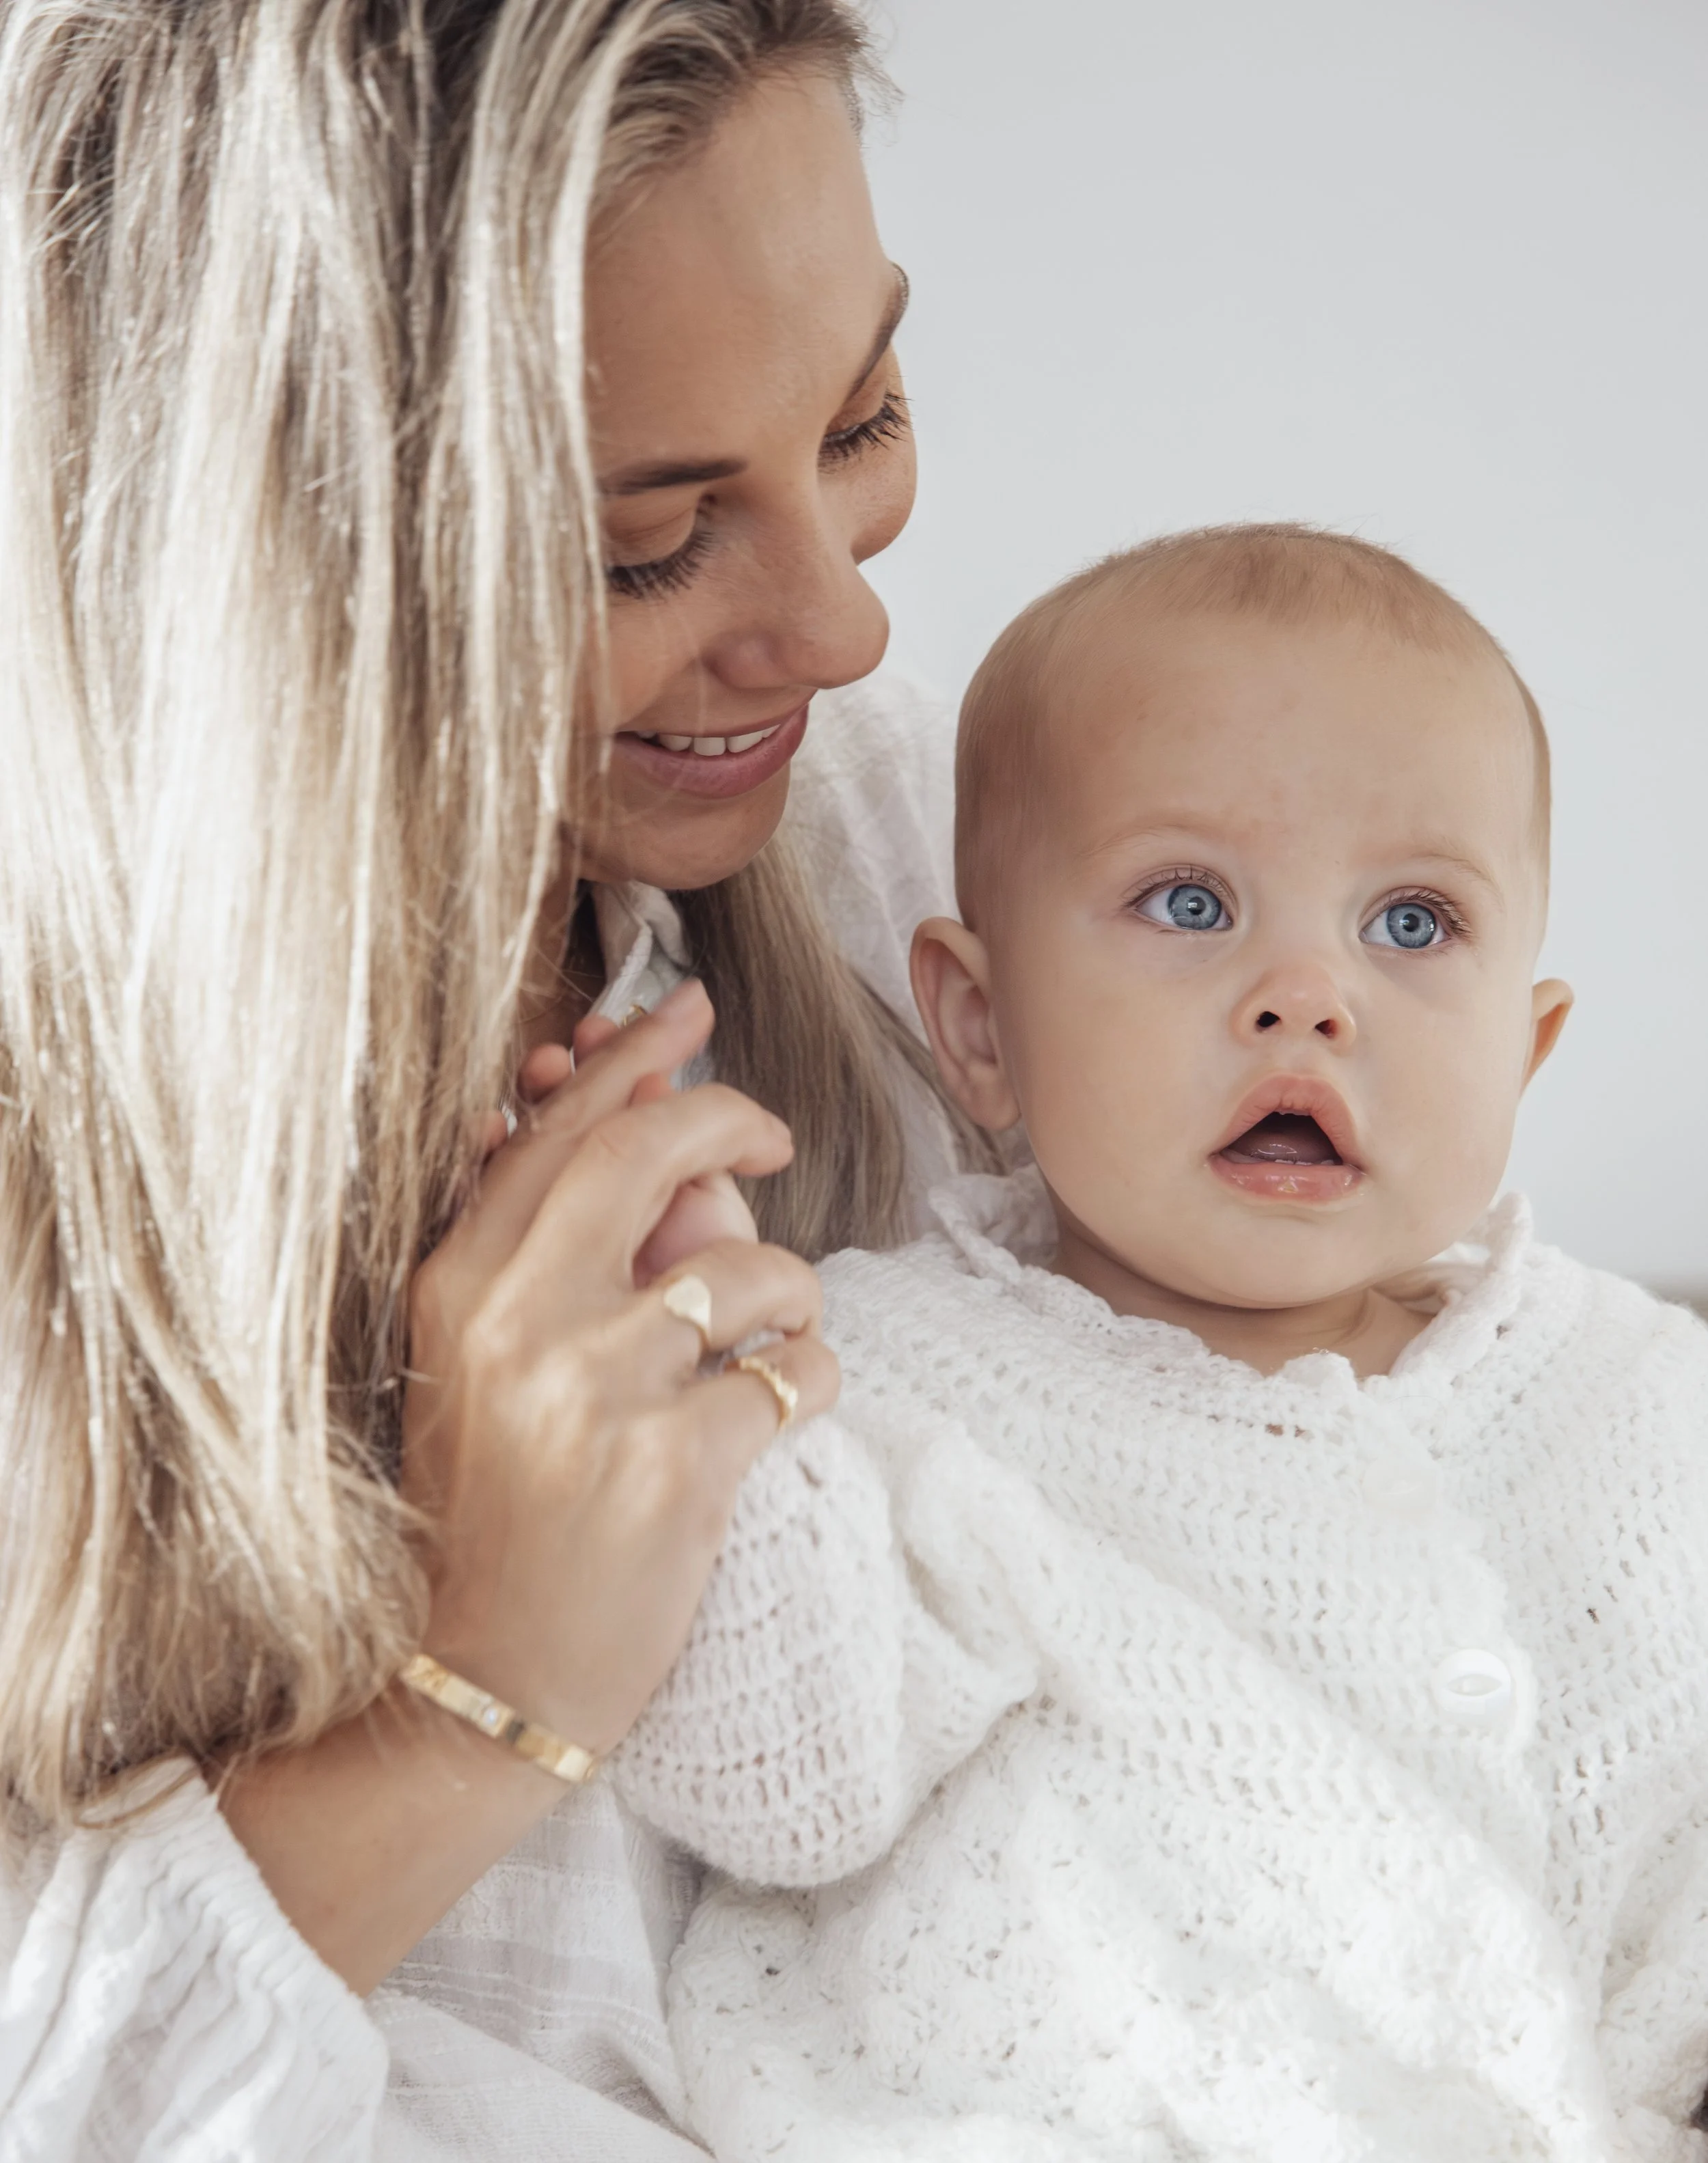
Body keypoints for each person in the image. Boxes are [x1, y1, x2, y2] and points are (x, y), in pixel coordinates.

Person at [0, 0, 976, 2152]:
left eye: (865, 415)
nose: (840, 629)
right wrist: (471, 1694)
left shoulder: (922, 866)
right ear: (256, 565)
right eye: (647, 544)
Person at [608, 526, 1708, 2160]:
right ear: (978, 1027)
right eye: (1188, 901)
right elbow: (776, 1778)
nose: (1305, 995)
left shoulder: (1640, 1396)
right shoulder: (886, 1382)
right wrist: (712, 1351)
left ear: (1524, 1047)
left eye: (1410, 924)